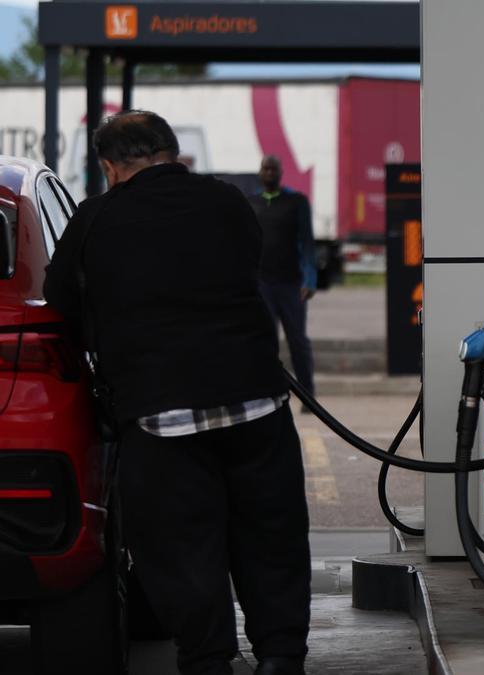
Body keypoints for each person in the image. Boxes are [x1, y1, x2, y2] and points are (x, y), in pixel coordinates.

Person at [44, 111, 311, 675]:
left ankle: (209, 660)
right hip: (255, 403)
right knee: (272, 535)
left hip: (160, 417)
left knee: (181, 547)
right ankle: (281, 656)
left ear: (110, 168)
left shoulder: (95, 219)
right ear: (173, 153)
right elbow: (246, 264)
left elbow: (62, 301)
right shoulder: (228, 202)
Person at [249, 155, 317, 397]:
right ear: (259, 172)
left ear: (280, 173)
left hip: (291, 285)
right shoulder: (252, 203)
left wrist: (310, 280)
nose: (268, 173)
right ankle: (269, 392)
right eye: (265, 169)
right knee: (266, 343)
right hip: (262, 286)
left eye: (273, 169)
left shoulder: (296, 202)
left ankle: (308, 394)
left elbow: (308, 243)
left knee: (298, 342)